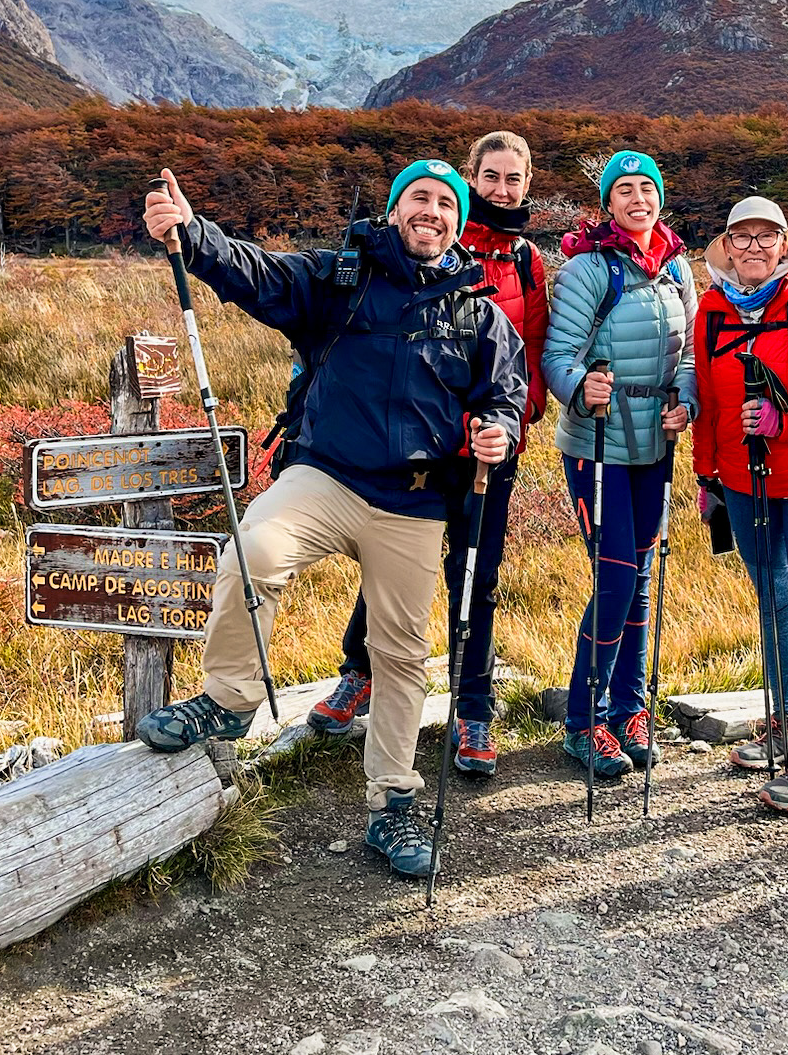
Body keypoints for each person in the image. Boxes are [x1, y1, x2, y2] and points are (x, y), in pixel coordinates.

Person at [131, 161, 527, 879]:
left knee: (402, 652)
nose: (430, 211)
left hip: (413, 500)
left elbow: (507, 393)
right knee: (254, 547)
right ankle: (229, 698)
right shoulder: (340, 278)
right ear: (394, 208)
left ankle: (391, 804)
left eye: (445, 202)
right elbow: (256, 273)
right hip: (326, 475)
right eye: (418, 198)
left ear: (458, 219)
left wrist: (498, 428)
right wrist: (192, 233)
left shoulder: (480, 311)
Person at [309, 131, 551, 779]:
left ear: (527, 183)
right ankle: (359, 672)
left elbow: (527, 353)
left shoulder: (528, 261)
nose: (502, 188)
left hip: (490, 456)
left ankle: (473, 705)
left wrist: (509, 424)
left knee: (478, 576)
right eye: (491, 175)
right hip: (421, 445)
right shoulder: (441, 238)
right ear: (472, 176)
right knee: (392, 566)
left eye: (513, 178)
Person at [542, 150, 698, 781]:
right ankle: (584, 719)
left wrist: (685, 402)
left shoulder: (677, 267)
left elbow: (687, 354)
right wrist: (583, 387)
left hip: (654, 446)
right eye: (624, 190)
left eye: (647, 188)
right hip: (597, 443)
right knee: (613, 579)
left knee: (640, 578)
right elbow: (558, 354)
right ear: (607, 204)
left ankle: (631, 710)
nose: (638, 198)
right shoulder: (587, 268)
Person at [690, 196, 788, 811]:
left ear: (785, 244)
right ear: (726, 246)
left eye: (766, 236)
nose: (753, 247)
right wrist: (707, 474)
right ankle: (786, 720)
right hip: (742, 480)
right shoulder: (710, 310)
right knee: (770, 600)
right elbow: (708, 397)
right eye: (741, 237)